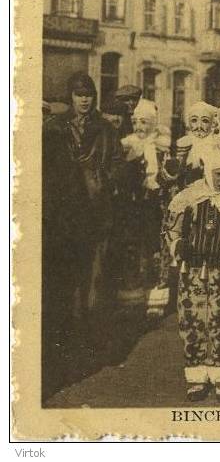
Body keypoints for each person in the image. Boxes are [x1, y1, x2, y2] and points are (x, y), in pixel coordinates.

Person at [42, 72, 124, 398]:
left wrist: (104, 178)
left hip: (96, 213)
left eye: (88, 94)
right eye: (78, 94)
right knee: (65, 281)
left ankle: (91, 342)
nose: (84, 100)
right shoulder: (55, 128)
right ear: (70, 97)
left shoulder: (105, 129)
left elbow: (118, 163)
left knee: (95, 278)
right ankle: (66, 339)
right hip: (64, 216)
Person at [163, 148, 220, 402]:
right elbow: (171, 230)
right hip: (192, 270)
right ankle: (196, 374)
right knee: (193, 319)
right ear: (208, 172)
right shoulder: (190, 198)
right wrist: (177, 244)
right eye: (218, 174)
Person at [117, 99, 177, 319]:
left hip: (156, 202)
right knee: (133, 249)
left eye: (144, 122)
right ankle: (133, 296)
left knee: (156, 250)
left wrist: (163, 179)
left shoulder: (161, 146)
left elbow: (170, 174)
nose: (139, 127)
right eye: (136, 122)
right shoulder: (127, 145)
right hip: (133, 203)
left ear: (152, 124)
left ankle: (156, 297)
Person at [175, 101, 219, 187]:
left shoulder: (218, 144)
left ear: (212, 124)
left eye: (205, 121)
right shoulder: (183, 143)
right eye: (194, 120)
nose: (199, 126)